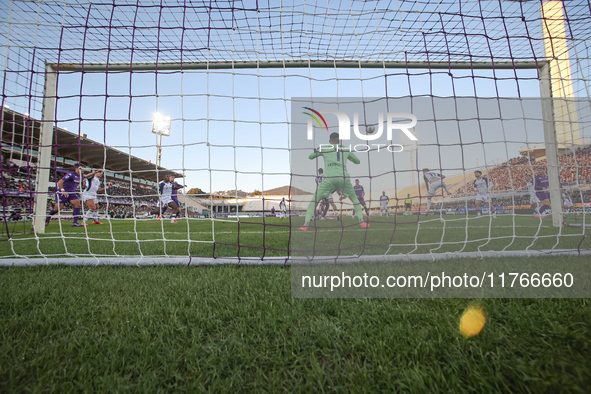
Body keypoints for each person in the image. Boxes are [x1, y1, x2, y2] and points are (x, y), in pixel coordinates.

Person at [299, 132, 369, 231]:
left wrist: (318, 150)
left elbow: (310, 157)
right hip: (343, 178)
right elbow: (358, 161)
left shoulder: (325, 148)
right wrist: (348, 154)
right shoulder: (345, 149)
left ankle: (305, 225)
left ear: (330, 141)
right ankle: (362, 222)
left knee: (314, 202)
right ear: (339, 140)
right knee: (354, 200)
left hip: (329, 179)